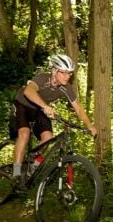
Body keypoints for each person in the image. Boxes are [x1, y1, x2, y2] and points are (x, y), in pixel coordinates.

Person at [11, 53, 97, 185]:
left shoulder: (66, 88)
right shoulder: (42, 78)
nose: (67, 76)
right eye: (63, 73)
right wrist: (45, 106)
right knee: (24, 134)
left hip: (39, 110)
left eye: (69, 73)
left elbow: (78, 109)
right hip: (22, 104)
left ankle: (30, 169)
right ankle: (16, 173)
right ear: (54, 71)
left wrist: (89, 125)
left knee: (48, 138)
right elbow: (28, 91)